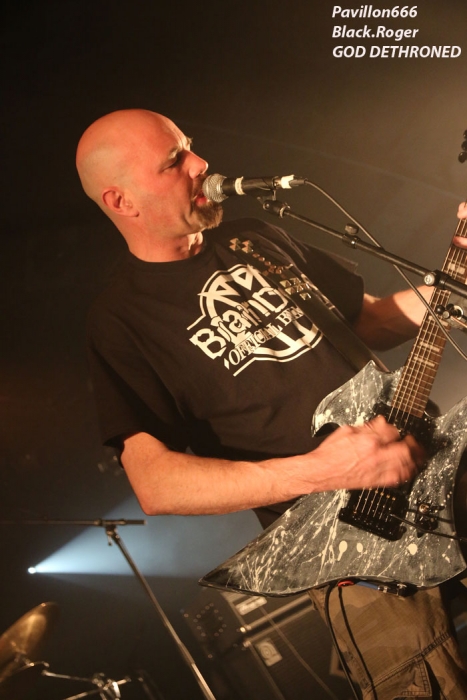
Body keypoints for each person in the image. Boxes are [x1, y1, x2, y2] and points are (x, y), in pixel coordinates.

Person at [76, 108, 467, 699]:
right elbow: (155, 483)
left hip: (440, 468)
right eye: (174, 161)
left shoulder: (254, 237)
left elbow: (369, 321)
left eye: (191, 146)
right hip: (356, 550)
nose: (200, 163)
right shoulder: (120, 320)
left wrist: (453, 277)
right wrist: (322, 470)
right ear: (121, 200)